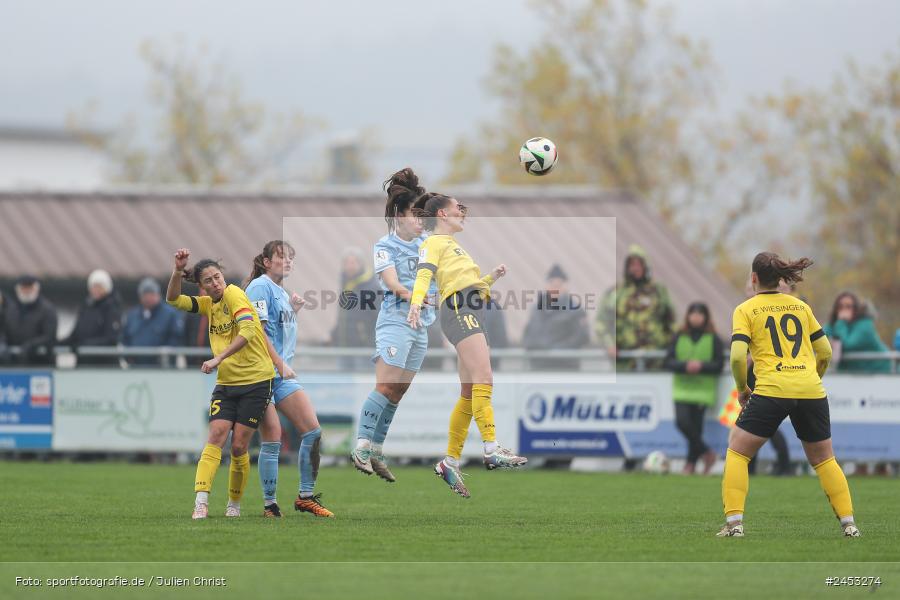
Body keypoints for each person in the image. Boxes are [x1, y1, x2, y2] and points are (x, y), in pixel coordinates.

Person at [718, 252, 859, 538]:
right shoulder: (799, 307)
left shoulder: (745, 309)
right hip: (810, 389)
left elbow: (736, 358)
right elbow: (825, 352)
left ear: (754, 278)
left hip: (772, 388)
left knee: (737, 451)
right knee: (824, 460)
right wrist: (812, 379)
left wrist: (743, 388)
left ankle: (734, 525)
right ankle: (849, 524)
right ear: (781, 278)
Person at [407, 192, 527, 498]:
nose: (462, 210)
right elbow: (424, 274)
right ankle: (491, 448)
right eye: (456, 207)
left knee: (469, 391)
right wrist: (416, 303)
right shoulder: (433, 242)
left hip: (470, 309)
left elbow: (469, 286)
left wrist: (491, 278)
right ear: (442, 215)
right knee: (485, 378)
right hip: (460, 311)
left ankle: (450, 461)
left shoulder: (453, 246)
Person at [166, 249, 277, 520]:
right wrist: (178, 271)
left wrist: (218, 358)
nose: (216, 283)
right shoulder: (208, 304)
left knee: (239, 446)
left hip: (256, 380)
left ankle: (234, 505)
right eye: (210, 281)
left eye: (218, 277)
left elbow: (250, 331)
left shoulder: (234, 294)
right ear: (202, 287)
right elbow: (173, 300)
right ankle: (201, 502)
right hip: (227, 383)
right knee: (215, 436)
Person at [351, 168, 438, 483]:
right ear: (399, 215)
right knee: (385, 386)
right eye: (416, 215)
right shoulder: (384, 246)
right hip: (395, 322)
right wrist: (414, 295)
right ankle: (360, 445)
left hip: (421, 326)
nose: (421, 221)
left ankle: (376, 450)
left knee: (398, 392)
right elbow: (391, 282)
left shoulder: (429, 242)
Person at [245, 240, 333, 518]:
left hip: (280, 376)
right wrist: (278, 363)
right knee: (271, 438)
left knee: (313, 431)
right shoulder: (259, 286)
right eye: (282, 257)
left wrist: (293, 310)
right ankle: (269, 504)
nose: (288, 261)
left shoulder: (280, 292)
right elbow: (257, 332)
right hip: (261, 374)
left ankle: (305, 497)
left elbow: (275, 329)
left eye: (291, 258)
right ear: (267, 261)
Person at [663, 302, 723, 475]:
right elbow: (668, 361)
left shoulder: (713, 338)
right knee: (682, 422)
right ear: (688, 316)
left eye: (700, 314)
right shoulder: (678, 336)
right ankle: (707, 453)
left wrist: (701, 366)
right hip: (682, 388)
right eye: (693, 313)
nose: (696, 317)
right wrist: (685, 366)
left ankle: (690, 464)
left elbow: (718, 365)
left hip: (703, 390)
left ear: (706, 317)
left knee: (696, 429)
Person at [595, 245, 675, 371]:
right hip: (625, 362)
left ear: (645, 266)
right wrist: (609, 345)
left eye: (639, 264)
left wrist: (670, 348)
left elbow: (672, 323)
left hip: (655, 362)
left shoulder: (658, 291)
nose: (635, 268)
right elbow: (601, 323)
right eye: (632, 265)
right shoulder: (616, 292)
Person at [522, 264, 590, 370]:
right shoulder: (536, 309)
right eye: (552, 285)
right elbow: (528, 335)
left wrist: (554, 350)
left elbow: (581, 337)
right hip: (539, 367)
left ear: (565, 287)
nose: (554, 289)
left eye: (558, 286)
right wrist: (538, 348)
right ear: (546, 286)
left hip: (565, 367)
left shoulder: (575, 310)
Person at [330, 247, 381, 369]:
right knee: (343, 385)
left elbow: (379, 318)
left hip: (364, 350)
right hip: (344, 347)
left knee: (363, 384)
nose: (350, 266)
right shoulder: (346, 284)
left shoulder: (372, 287)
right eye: (346, 263)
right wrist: (334, 335)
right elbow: (344, 316)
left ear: (361, 264)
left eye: (353, 262)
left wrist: (370, 342)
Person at [121, 277, 185, 366]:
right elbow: (125, 338)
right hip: (136, 367)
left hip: (162, 368)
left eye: (151, 294)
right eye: (145, 295)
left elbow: (176, 337)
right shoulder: (132, 315)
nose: (148, 298)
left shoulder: (170, 314)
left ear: (158, 295)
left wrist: (165, 352)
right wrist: (128, 356)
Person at [64, 269, 122, 366]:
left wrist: (84, 345)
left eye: (99, 286)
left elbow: (111, 339)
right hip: (84, 363)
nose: (96, 290)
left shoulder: (112, 308)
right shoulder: (86, 307)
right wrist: (57, 343)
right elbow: (75, 334)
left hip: (104, 366)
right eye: (93, 286)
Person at [823, 292, 891, 373]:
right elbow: (822, 339)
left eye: (848, 306)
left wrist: (841, 322)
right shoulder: (835, 325)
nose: (844, 310)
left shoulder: (865, 325)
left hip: (881, 371)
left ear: (856, 309)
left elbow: (849, 345)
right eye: (840, 307)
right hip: (853, 374)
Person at [1, 275, 58, 366]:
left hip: (39, 363)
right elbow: (4, 331)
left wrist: (30, 346)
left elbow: (49, 336)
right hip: (14, 363)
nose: (26, 291)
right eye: (23, 288)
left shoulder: (47, 310)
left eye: (29, 288)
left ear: (36, 289)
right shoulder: (11, 309)